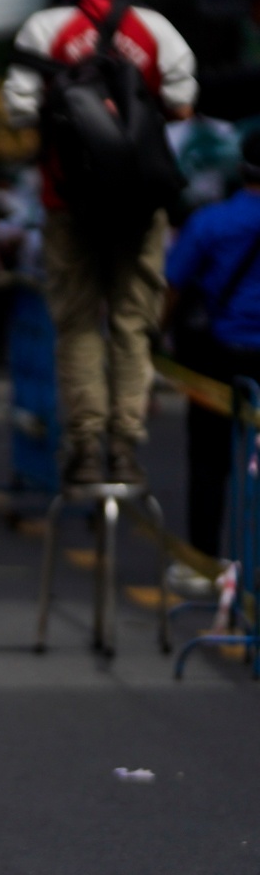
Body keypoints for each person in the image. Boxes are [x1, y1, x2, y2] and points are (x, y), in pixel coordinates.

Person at [3, 0, 197, 485]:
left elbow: (18, 110)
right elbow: (182, 103)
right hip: (140, 205)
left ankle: (86, 447)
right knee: (134, 324)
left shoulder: (43, 28)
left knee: (78, 323)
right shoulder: (155, 28)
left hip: (68, 202)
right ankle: (126, 448)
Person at [165, 128, 260, 559]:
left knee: (208, 460)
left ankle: (203, 560)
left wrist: (157, 337)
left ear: (242, 170)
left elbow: (174, 285)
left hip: (217, 354)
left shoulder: (210, 221)